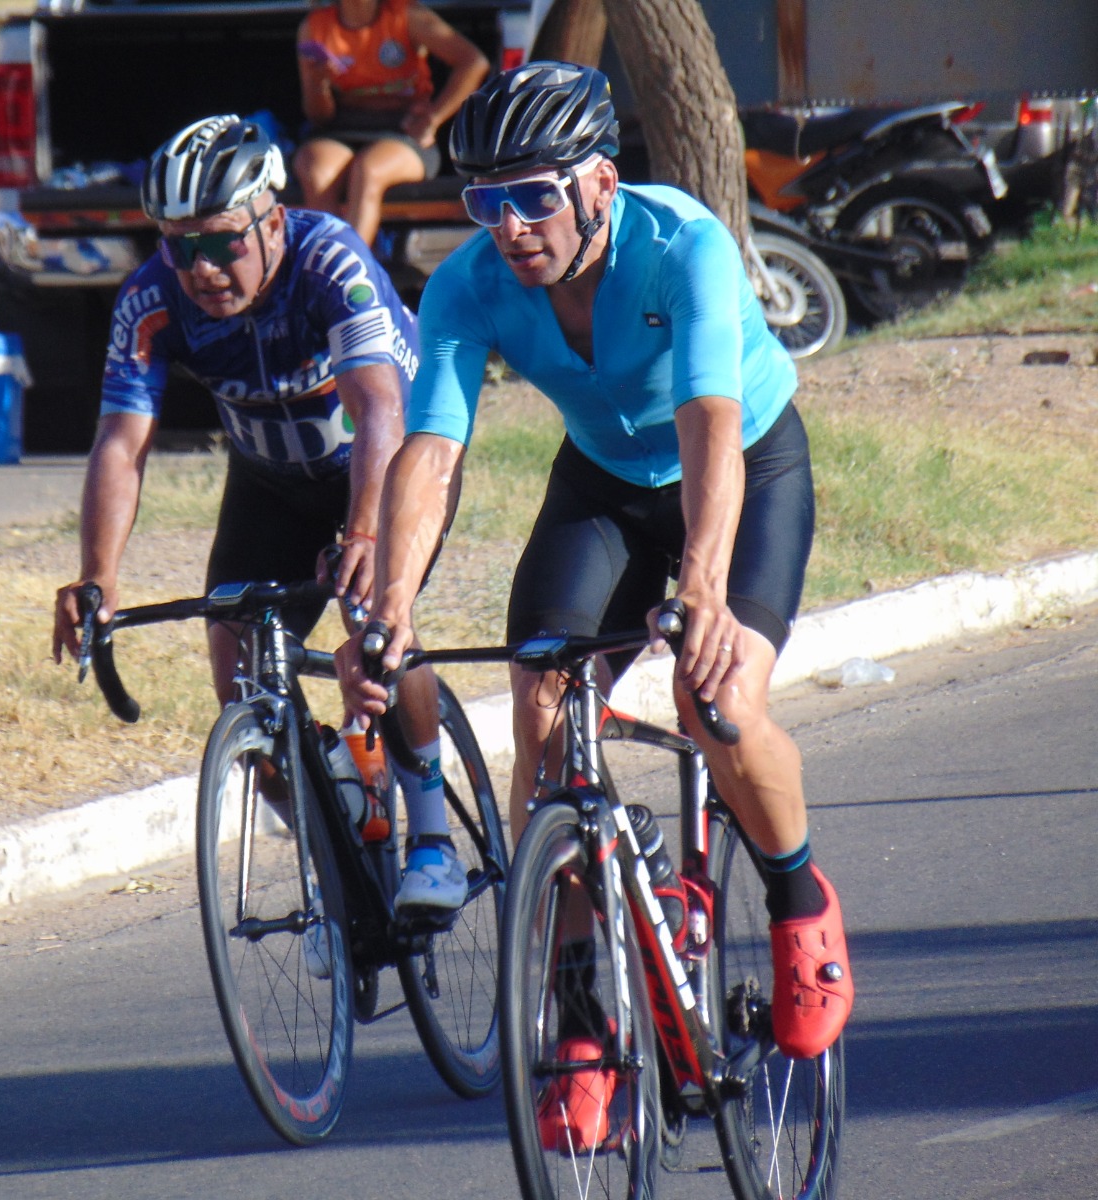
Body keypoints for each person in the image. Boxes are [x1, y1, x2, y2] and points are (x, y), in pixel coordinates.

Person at [338, 61, 853, 1097]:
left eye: (535, 196)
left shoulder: (683, 247)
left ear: (600, 186)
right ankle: (581, 1023)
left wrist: (702, 586)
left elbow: (710, 419)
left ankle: (801, 905)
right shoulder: (468, 285)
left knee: (721, 703)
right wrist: (388, 613)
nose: (513, 226)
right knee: (541, 711)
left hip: (741, 464)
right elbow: (431, 448)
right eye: (487, 202)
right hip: (607, 484)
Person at [51, 114, 467, 914]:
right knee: (241, 691)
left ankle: (434, 835)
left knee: (379, 624)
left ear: (271, 219)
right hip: (272, 484)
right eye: (179, 245)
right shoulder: (152, 299)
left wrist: (366, 535)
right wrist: (97, 577)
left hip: (387, 471)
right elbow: (119, 443)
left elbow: (380, 411)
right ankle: (334, 846)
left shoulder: (328, 261)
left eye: (220, 242)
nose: (201, 268)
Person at [293, 0, 488, 252]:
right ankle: (325, 265)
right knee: (317, 170)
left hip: (402, 130)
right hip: (341, 127)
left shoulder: (406, 15)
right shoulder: (315, 27)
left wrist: (434, 117)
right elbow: (319, 117)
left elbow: (474, 62)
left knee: (368, 169)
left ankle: (351, 270)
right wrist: (317, 83)